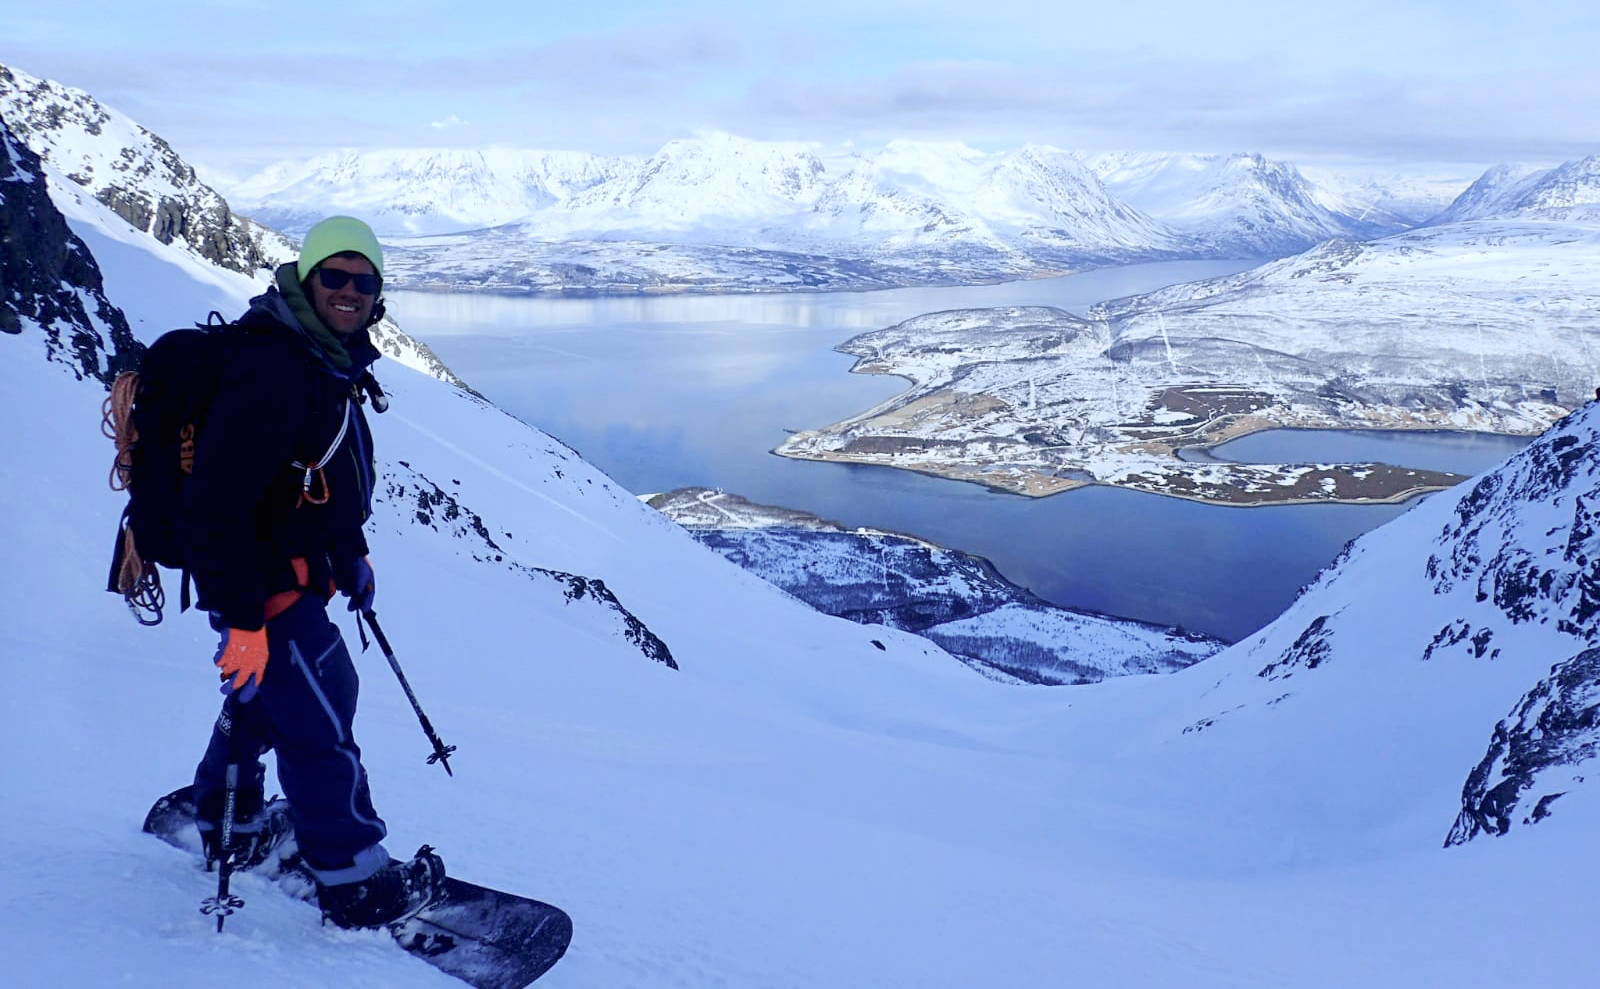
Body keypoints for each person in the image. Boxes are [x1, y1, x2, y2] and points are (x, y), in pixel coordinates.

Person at [181, 216, 444, 928]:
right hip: (261, 586)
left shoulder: (324, 358)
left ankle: (227, 817)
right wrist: (241, 620)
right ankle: (352, 876)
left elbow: (316, 479)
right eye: (336, 276)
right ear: (308, 278)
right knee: (322, 706)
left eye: (365, 280)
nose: (351, 291)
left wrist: (349, 551)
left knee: (274, 699)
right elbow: (216, 505)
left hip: (289, 576)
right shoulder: (277, 368)